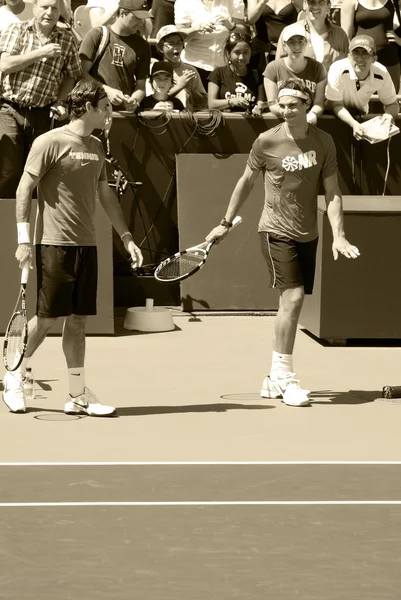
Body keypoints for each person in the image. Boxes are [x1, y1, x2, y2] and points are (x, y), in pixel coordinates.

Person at [205, 78, 360, 407]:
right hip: (275, 229)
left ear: (306, 105)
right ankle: (285, 376)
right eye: (282, 105)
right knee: (292, 299)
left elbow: (332, 192)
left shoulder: (325, 142)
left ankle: (273, 377)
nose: (286, 110)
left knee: (290, 303)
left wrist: (340, 234)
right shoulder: (266, 141)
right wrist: (225, 223)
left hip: (309, 233)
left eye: (293, 105)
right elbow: (246, 182)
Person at [2, 79, 144, 416]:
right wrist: (23, 239)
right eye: (106, 107)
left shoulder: (96, 146)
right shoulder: (48, 142)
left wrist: (126, 237)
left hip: (87, 244)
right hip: (54, 243)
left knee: (78, 320)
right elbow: (24, 190)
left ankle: (78, 394)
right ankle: (13, 376)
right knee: (48, 317)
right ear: (89, 108)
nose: (111, 112)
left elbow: (105, 195)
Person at [0, 0, 82, 198]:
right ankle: (4, 223)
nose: (49, 12)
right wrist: (40, 53)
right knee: (8, 171)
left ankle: (32, 224)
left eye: (54, 8)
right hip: (10, 109)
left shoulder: (67, 38)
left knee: (38, 173)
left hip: (43, 113)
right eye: (44, 7)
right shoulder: (17, 29)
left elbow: (72, 75)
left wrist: (61, 102)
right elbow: (5, 64)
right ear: (34, 8)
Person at [79, 0, 151, 111]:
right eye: (137, 18)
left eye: (143, 18)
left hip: (123, 114)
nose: (141, 23)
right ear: (122, 13)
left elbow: (141, 86)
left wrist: (134, 101)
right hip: (93, 110)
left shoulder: (143, 45)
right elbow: (82, 74)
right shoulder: (97, 35)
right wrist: (106, 90)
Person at [326, 34, 398, 137]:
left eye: (365, 54)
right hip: (332, 116)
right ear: (349, 56)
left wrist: (389, 115)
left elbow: (392, 104)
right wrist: (353, 123)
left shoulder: (382, 73)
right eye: (356, 53)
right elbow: (336, 105)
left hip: (360, 116)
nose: (360, 59)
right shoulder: (337, 69)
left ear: (374, 58)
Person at [174, 0, 248, 89]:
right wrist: (196, 29)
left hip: (224, 66)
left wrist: (231, 26)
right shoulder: (184, 2)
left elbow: (243, 31)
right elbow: (179, 36)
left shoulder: (234, 1)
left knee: (222, 102)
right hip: (194, 65)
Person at [264, 23, 327, 125]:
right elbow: (273, 105)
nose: (297, 47)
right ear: (284, 45)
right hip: (283, 122)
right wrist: (295, 114)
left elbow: (319, 104)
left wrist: (312, 115)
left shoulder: (318, 68)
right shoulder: (273, 68)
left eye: (301, 42)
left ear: (306, 43)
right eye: (291, 42)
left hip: (309, 123)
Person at [341, 0, 400, 92]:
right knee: (362, 102)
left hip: (390, 59)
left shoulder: (393, 1)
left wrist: (399, 40)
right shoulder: (351, 1)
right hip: (361, 62)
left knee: (391, 101)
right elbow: (345, 38)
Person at [276, 0, 349, 71]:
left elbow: (347, 70)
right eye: (311, 1)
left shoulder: (340, 35)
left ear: (328, 6)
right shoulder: (289, 32)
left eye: (321, 2)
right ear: (304, 4)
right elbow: (278, 70)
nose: (315, 6)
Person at [208, 31, 267, 113]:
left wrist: (259, 107)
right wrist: (231, 101)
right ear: (229, 54)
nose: (241, 57)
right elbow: (211, 104)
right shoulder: (218, 73)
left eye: (246, 52)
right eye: (237, 53)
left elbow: (260, 102)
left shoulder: (257, 75)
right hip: (226, 123)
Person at [153, 23, 208, 110]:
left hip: (186, 119)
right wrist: (180, 86)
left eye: (179, 43)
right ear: (160, 47)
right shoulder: (154, 69)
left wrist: (191, 89)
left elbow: (204, 103)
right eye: (171, 43)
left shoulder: (190, 70)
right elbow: (150, 100)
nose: (176, 47)